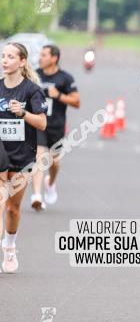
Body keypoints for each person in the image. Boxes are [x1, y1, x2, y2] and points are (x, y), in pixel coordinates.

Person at [0, 43, 48, 273]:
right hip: (0, 154)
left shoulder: (32, 91)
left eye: (10, 56)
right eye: (3, 56)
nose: (5, 60)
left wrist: (23, 113)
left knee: (13, 208)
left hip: (22, 155)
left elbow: (42, 122)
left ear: (22, 62)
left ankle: (10, 245)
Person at [31, 44, 80, 210]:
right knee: (39, 155)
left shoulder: (65, 78)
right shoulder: (34, 75)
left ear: (54, 58)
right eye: (40, 54)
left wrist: (58, 95)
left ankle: (50, 183)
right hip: (39, 123)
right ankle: (37, 195)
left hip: (57, 126)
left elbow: (76, 101)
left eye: (44, 55)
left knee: (54, 162)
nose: (40, 58)